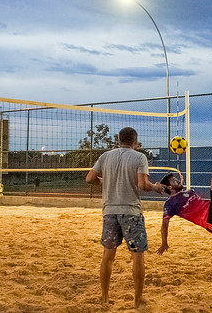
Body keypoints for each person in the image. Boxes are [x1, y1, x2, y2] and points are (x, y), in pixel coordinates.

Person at [86, 127, 165, 308]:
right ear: (135, 141)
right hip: (131, 212)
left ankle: (105, 298)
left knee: (108, 256)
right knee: (137, 256)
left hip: (109, 212)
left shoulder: (105, 156)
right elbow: (143, 185)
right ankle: (137, 301)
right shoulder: (139, 157)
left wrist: (102, 183)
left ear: (119, 140)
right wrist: (156, 187)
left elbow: (90, 178)